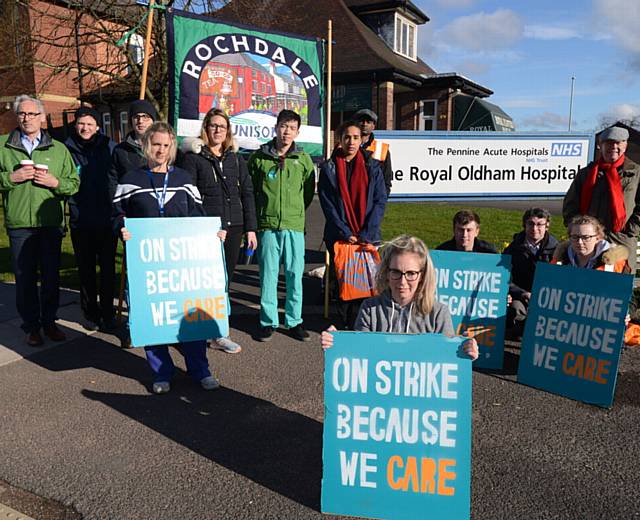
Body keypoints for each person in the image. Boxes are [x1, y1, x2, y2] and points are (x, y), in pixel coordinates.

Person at [112, 122, 219, 394]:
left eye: (166, 145)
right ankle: (161, 372)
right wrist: (121, 228)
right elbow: (116, 214)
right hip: (147, 263)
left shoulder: (183, 178)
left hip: (181, 265)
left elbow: (197, 214)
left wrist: (211, 234)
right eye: (156, 144)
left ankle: (200, 369)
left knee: (190, 317)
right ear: (147, 145)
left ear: (172, 147)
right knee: (152, 317)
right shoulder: (131, 180)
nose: (161, 150)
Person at [320, 234, 479, 361]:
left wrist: (464, 352)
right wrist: (338, 344)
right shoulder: (370, 309)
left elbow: (447, 362)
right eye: (396, 272)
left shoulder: (438, 313)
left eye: (410, 273)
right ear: (386, 273)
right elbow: (359, 356)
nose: (402, 282)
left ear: (422, 276)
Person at [0, 95, 79, 346]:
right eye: (22, 114)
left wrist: (56, 183)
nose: (26, 118)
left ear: (42, 117)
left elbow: (74, 183)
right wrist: (11, 178)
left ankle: (49, 322)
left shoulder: (59, 149)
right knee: (24, 278)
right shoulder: (3, 146)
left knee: (50, 277)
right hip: (20, 223)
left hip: (50, 224)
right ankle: (31, 326)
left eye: (32, 114)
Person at [178, 108, 257, 354]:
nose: (217, 130)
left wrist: (251, 228)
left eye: (222, 126)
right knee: (204, 283)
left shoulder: (235, 158)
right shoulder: (194, 158)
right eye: (213, 125)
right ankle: (199, 330)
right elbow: (189, 196)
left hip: (234, 228)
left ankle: (220, 332)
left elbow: (247, 193)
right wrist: (203, 225)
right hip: (207, 230)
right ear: (206, 128)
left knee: (224, 282)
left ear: (228, 131)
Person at [247, 109, 315, 342]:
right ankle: (268, 321)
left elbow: (307, 193)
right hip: (267, 225)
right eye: (283, 126)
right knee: (268, 274)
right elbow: (251, 191)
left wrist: (295, 213)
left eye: (292, 128)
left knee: (295, 274)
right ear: (276, 127)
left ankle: (294, 320)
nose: (287, 132)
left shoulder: (303, 160)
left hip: (294, 225)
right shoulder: (258, 158)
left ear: (297, 132)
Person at [318, 120, 388, 328]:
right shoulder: (329, 168)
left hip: (367, 235)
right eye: (347, 137)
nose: (351, 141)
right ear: (340, 139)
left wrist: (367, 232)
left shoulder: (372, 166)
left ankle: (362, 324)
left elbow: (380, 199)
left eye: (356, 137)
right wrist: (345, 231)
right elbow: (327, 203)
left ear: (362, 140)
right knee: (345, 282)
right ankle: (345, 322)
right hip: (341, 235)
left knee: (366, 282)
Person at [65, 107, 118, 331]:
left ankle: (108, 312)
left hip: (106, 218)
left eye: (89, 123)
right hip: (81, 219)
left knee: (107, 269)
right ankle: (90, 312)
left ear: (97, 125)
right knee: (86, 270)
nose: (85, 127)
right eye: (81, 123)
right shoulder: (66, 148)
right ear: (75, 125)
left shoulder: (110, 147)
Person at [563, 126, 640, 270]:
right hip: (588, 241)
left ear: (625, 145)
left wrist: (631, 229)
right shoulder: (586, 173)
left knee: (617, 285)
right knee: (587, 285)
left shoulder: (636, 173)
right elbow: (570, 205)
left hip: (620, 240)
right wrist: (577, 230)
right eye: (609, 143)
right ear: (600, 145)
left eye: (619, 142)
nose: (614, 147)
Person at [504, 207, 559, 338]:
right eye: (531, 224)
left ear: (547, 226)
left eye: (540, 224)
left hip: (547, 297)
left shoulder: (557, 250)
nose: (535, 229)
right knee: (515, 308)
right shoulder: (513, 249)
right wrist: (522, 293)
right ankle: (519, 330)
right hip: (521, 295)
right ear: (524, 225)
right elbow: (505, 279)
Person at [108, 99, 158, 198]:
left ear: (153, 121)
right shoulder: (120, 151)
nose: (140, 121)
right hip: (130, 206)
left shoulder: (163, 147)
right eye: (136, 117)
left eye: (145, 117)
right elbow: (112, 182)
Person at [553, 214, 631, 273]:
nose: (580, 242)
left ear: (598, 238)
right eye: (575, 237)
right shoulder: (559, 260)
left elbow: (622, 292)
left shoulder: (616, 264)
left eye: (586, 237)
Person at [353, 108, 393, 195]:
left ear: (373, 126)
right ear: (355, 124)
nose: (364, 124)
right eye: (361, 121)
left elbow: (387, 179)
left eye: (368, 122)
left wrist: (381, 201)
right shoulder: (347, 146)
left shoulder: (382, 148)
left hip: (373, 198)